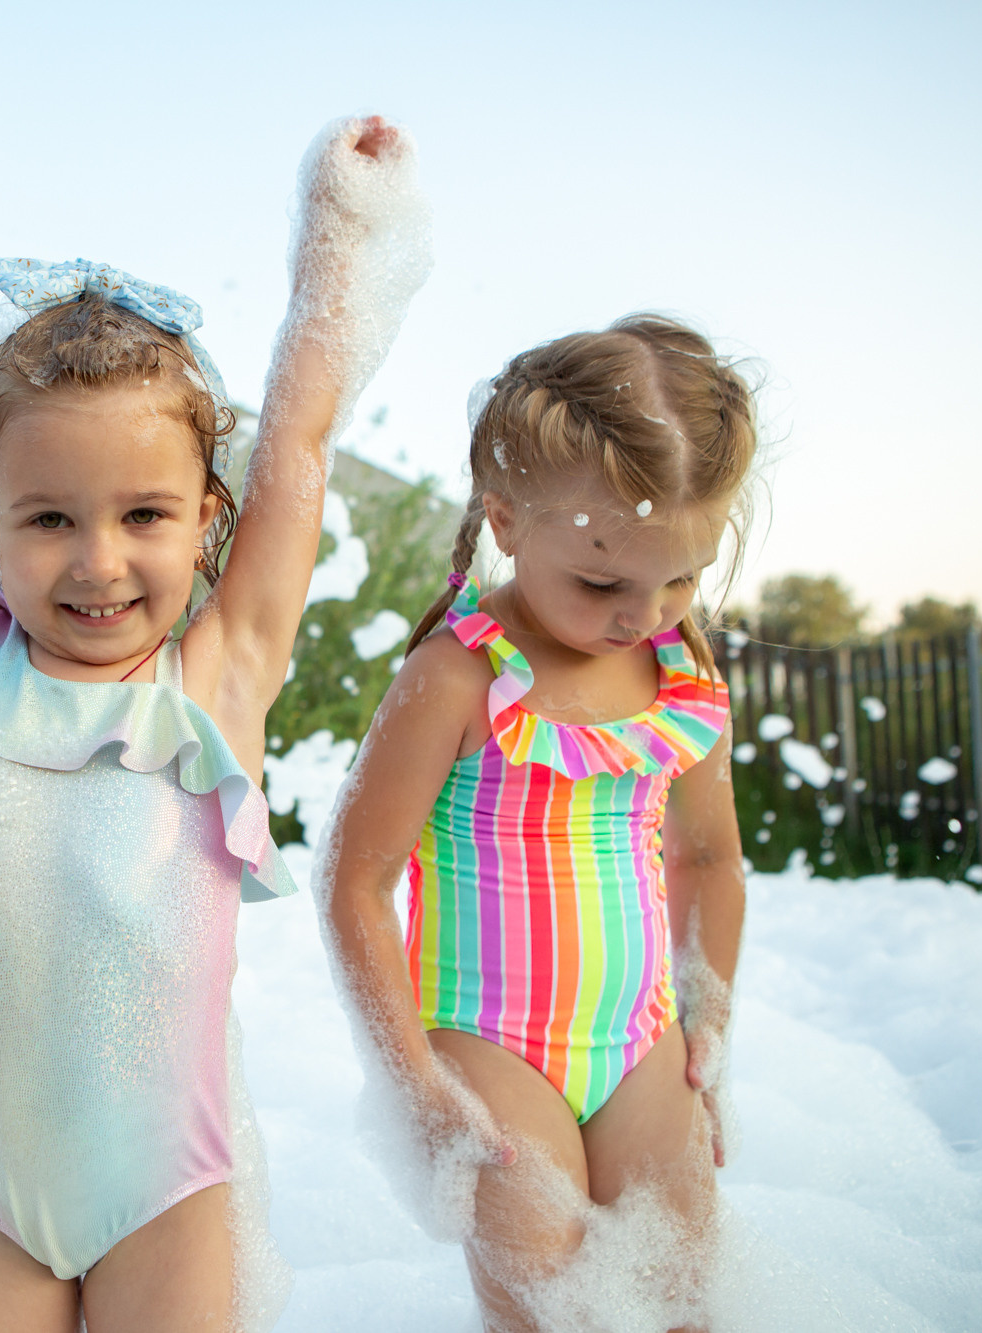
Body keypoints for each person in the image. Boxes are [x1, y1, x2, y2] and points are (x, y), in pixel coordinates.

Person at [0, 116, 431, 1331]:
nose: (97, 561)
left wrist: (341, 243)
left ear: (207, 517)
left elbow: (298, 446)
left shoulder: (215, 676)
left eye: (146, 514)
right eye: (49, 518)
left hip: (162, 1192)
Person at [317, 317, 757, 1330]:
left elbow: (707, 858)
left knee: (679, 1298)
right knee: (547, 1303)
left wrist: (707, 1019)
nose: (641, 614)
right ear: (505, 517)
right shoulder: (458, 674)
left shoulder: (677, 676)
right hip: (490, 1045)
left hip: (639, 1041)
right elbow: (352, 879)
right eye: (602, 581)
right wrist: (415, 1083)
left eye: (681, 578)